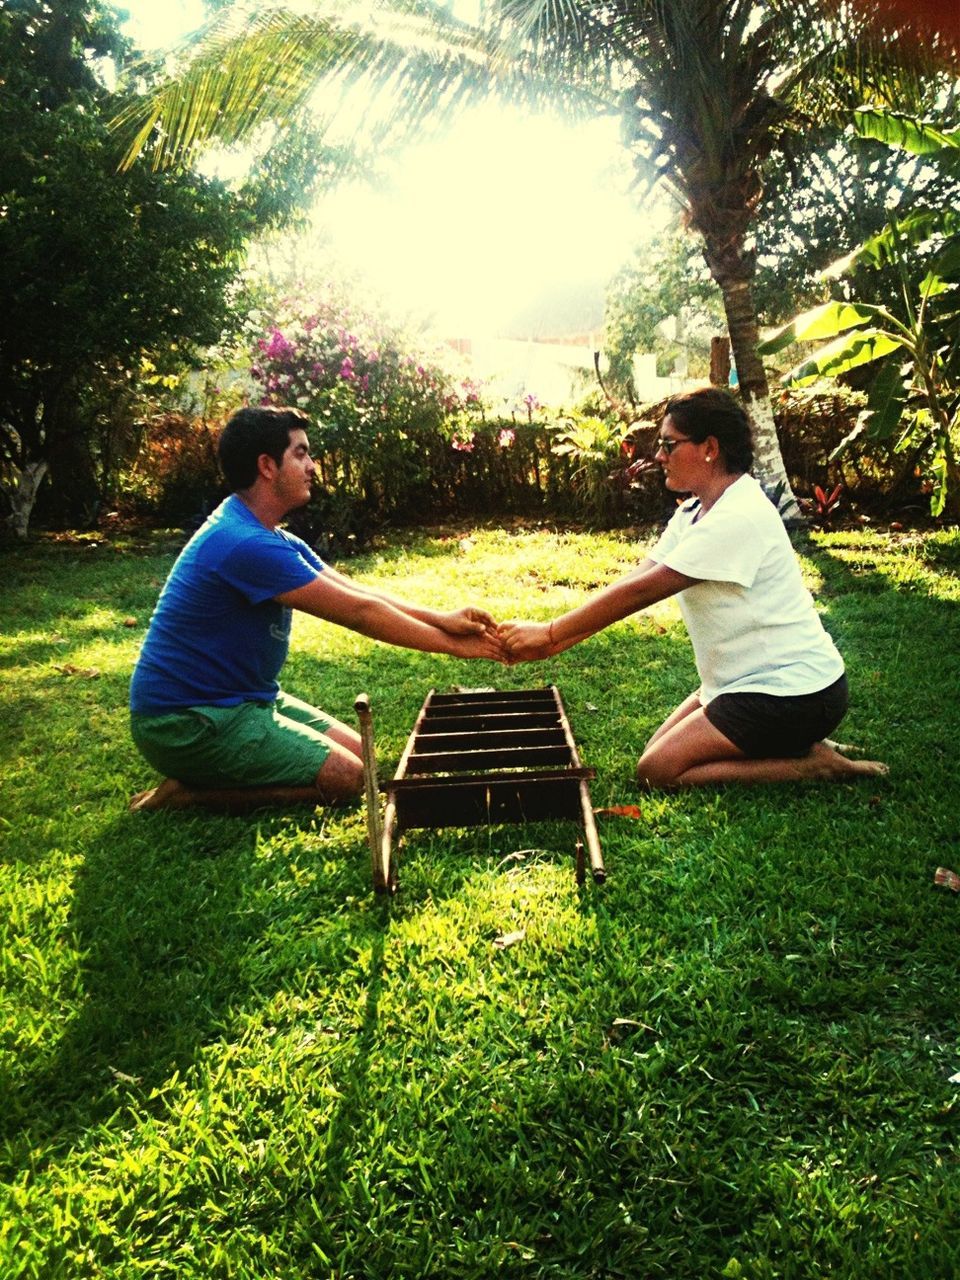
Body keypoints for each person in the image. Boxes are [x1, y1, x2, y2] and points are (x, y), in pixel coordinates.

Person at [500, 387, 887, 788]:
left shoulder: (737, 516)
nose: (659, 456)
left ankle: (815, 765)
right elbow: (637, 577)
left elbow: (642, 593)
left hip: (794, 693)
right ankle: (794, 745)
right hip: (739, 685)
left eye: (669, 444)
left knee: (658, 771)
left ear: (710, 448)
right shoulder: (696, 510)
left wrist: (549, 636)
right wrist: (552, 631)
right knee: (658, 750)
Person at [129, 405, 503, 813]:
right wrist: (455, 647)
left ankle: (206, 778)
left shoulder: (272, 538)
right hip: (187, 722)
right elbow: (360, 614)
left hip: (244, 700)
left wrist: (444, 619)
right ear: (267, 465)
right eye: (301, 453)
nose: (312, 465)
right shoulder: (244, 544)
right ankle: (189, 794)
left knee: (366, 758)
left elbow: (359, 593)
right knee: (348, 779)